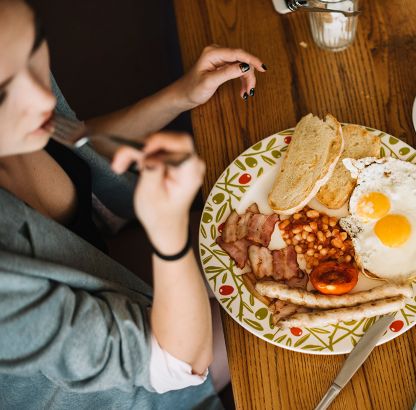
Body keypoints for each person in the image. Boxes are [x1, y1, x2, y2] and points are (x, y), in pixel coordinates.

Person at [0, 0, 265, 408]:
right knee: (277, 330)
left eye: (35, 47)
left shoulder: (11, 63)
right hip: (127, 379)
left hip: (121, 267)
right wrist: (169, 238)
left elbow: (71, 139)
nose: (41, 99)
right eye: (2, 95)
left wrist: (180, 96)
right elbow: (179, 362)